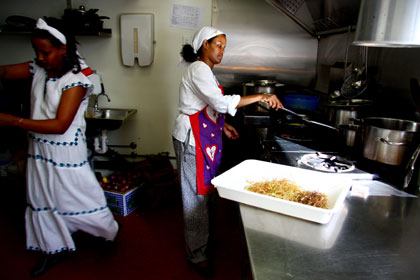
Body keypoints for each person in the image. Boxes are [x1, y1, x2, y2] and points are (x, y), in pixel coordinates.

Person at [0, 17, 119, 277]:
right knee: (41, 198)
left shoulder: (75, 79)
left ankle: (107, 233)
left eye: (46, 52)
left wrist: (13, 121)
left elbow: (60, 125)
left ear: (63, 48)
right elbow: (6, 72)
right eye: (37, 52)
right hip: (39, 149)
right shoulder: (38, 68)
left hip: (65, 151)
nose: (40, 58)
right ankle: (52, 249)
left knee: (80, 196)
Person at [172, 26, 283, 278]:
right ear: (204, 46)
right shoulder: (199, 69)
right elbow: (221, 103)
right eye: (218, 45)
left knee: (208, 193)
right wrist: (261, 96)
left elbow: (207, 106)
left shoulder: (206, 72)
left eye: (224, 46)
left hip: (203, 137)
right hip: (191, 140)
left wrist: (223, 127)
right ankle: (196, 254)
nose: (222, 51)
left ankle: (204, 241)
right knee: (196, 197)